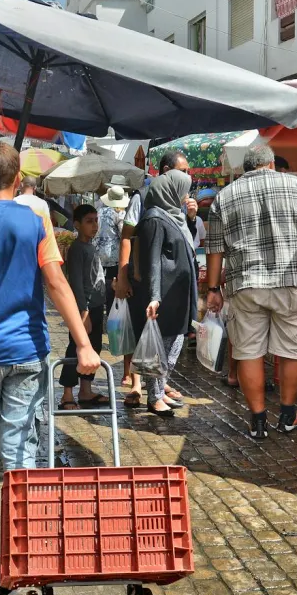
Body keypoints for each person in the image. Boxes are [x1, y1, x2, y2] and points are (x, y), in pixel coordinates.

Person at [0, 142, 98, 558]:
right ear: (19, 181)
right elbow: (57, 285)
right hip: (28, 350)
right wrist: (82, 344)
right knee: (18, 443)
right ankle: (20, 543)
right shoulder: (34, 224)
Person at [205, 144, 297, 441]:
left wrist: (213, 289)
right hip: (290, 282)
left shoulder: (225, 196)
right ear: (272, 164)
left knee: (248, 352)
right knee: (292, 349)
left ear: (245, 168)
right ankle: (288, 415)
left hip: (245, 285)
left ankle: (258, 420)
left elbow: (214, 249)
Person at [115, 151, 189, 406]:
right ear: (167, 170)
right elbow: (127, 236)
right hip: (144, 278)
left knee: (165, 336)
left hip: (169, 283)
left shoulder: (177, 199)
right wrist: (123, 275)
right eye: (182, 171)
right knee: (148, 334)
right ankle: (143, 386)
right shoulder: (144, 197)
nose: (186, 177)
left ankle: (157, 384)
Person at [126, 170, 199, 418]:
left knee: (174, 344)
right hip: (164, 295)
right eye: (183, 189)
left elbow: (188, 247)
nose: (186, 195)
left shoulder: (173, 216)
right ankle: (154, 397)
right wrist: (154, 296)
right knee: (160, 348)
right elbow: (153, 261)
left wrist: (190, 219)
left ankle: (159, 391)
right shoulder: (154, 219)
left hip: (177, 295)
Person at [61, 204, 106, 410]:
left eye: (96, 220)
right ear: (77, 224)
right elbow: (77, 283)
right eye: (89, 221)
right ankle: (67, 393)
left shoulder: (90, 246)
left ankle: (85, 390)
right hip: (84, 309)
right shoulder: (77, 249)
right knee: (76, 348)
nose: (94, 225)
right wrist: (83, 311)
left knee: (94, 348)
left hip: (96, 307)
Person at [95, 176, 129, 310]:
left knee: (100, 283)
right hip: (113, 257)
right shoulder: (119, 213)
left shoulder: (99, 211)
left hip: (99, 254)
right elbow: (124, 235)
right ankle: (111, 313)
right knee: (112, 288)